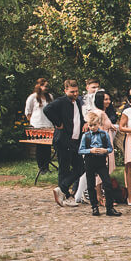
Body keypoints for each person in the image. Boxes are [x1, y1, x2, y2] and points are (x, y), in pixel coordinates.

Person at [45, 79, 84, 207]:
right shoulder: (61, 101)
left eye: (77, 91)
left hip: (75, 140)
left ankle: (61, 188)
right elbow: (47, 109)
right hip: (63, 140)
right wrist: (58, 123)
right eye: (72, 91)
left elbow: (78, 118)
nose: (75, 93)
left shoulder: (77, 102)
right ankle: (64, 195)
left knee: (80, 167)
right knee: (64, 169)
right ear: (65, 90)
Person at [78, 111, 121, 217]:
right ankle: (94, 206)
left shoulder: (104, 134)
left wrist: (104, 150)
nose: (92, 127)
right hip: (90, 161)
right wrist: (90, 151)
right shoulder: (86, 136)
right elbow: (80, 150)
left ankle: (109, 207)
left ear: (98, 124)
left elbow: (110, 148)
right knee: (90, 184)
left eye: (94, 125)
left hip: (101, 161)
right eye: (90, 125)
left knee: (107, 183)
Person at [25, 77, 55, 173]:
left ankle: (46, 166)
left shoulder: (50, 96)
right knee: (40, 146)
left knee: (47, 147)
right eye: (44, 86)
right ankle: (41, 167)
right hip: (37, 125)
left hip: (48, 124)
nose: (46, 88)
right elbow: (28, 112)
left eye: (47, 86)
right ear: (39, 86)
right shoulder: (32, 97)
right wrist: (32, 123)